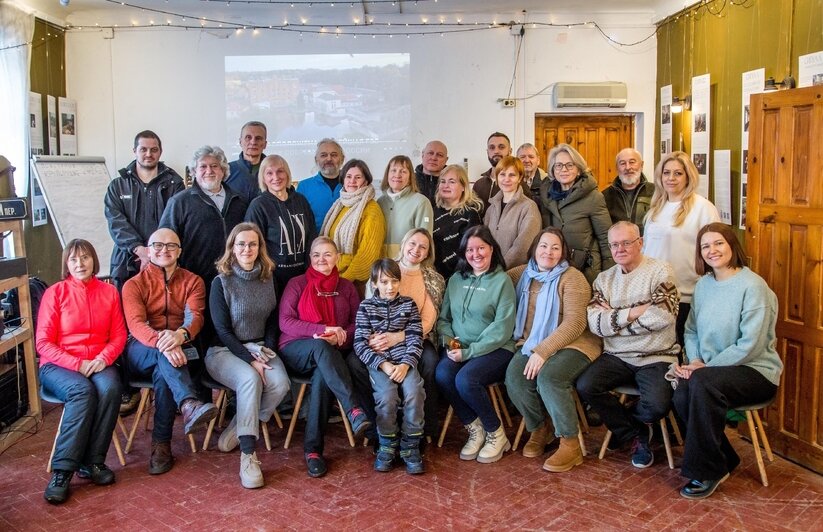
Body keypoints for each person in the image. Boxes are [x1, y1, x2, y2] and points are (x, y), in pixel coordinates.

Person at [672, 223, 782, 499]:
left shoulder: (753, 286)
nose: (712, 250)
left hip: (755, 371)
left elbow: (750, 344)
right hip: (710, 373)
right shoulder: (703, 285)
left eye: (718, 243)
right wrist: (695, 360)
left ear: (732, 245)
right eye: (705, 246)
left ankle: (707, 471)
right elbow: (691, 330)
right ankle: (724, 458)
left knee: (700, 384)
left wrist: (705, 369)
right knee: (681, 391)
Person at [576, 221, 680, 469]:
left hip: (657, 354)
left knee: (657, 405)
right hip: (617, 355)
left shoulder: (661, 271)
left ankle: (630, 425)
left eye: (626, 243)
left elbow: (663, 316)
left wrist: (615, 317)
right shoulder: (603, 280)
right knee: (586, 386)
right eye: (614, 244)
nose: (619, 249)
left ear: (640, 243)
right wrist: (635, 311)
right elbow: (597, 325)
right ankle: (636, 434)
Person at [36, 240, 127, 504]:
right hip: (58, 365)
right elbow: (43, 343)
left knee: (111, 388)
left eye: (85, 258)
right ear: (66, 264)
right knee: (82, 392)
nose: (80, 264)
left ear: (93, 261)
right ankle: (62, 471)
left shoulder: (109, 293)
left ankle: (93, 462)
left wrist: (103, 358)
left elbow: (119, 335)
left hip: (98, 361)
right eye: (74, 259)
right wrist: (77, 364)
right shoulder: (55, 293)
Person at [122, 228, 218, 475]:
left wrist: (180, 335)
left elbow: (195, 317)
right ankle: (187, 403)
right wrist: (162, 343)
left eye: (171, 246)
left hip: (182, 347)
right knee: (163, 358)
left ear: (180, 251)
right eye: (158, 245)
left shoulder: (193, 281)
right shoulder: (133, 285)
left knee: (164, 374)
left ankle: (162, 443)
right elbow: (136, 324)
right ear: (149, 249)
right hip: (141, 349)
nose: (164, 250)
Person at [504, 228, 601, 473]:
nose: (548, 252)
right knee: (514, 377)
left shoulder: (573, 278)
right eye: (544, 246)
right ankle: (540, 428)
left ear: (563, 252)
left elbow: (575, 323)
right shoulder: (522, 274)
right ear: (534, 249)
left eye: (555, 247)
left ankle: (570, 443)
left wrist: (543, 351)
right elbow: (494, 281)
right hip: (533, 343)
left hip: (575, 343)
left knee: (550, 378)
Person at [206, 223, 290, 489]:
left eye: (252, 244)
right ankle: (248, 456)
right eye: (241, 244)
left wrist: (266, 351)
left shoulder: (269, 278)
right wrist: (251, 360)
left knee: (281, 383)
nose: (246, 249)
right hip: (224, 350)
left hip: (259, 347)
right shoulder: (221, 281)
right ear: (232, 248)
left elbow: (273, 320)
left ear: (260, 247)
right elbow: (222, 330)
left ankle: (240, 425)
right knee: (250, 379)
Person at [278, 236, 371, 478]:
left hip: (331, 355)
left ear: (337, 258)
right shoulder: (297, 284)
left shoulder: (347, 287)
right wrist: (323, 331)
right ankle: (353, 409)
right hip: (296, 349)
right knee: (320, 347)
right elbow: (285, 322)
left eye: (328, 254)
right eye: (316, 255)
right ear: (310, 258)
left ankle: (313, 452)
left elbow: (358, 324)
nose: (322, 259)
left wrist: (339, 337)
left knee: (322, 375)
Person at [347, 228, 445, 444]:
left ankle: (423, 428)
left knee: (430, 361)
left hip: (417, 336)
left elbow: (427, 320)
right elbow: (371, 308)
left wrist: (399, 337)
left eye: (423, 247)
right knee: (354, 362)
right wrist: (374, 339)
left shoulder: (433, 279)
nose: (416, 249)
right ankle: (375, 427)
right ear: (404, 243)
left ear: (428, 253)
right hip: (380, 340)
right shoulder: (387, 269)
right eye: (412, 243)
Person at [436, 225, 516, 464]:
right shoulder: (455, 280)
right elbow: (444, 319)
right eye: (470, 250)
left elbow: (502, 328)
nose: (475, 254)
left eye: (481, 248)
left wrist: (470, 352)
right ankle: (475, 428)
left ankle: (496, 434)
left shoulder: (502, 281)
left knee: (466, 380)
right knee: (443, 375)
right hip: (460, 348)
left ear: (491, 249)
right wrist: (452, 344)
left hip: (496, 349)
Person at [354, 259, 426, 474]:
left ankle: (410, 446)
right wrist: (383, 365)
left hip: (406, 362)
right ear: (374, 283)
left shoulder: (408, 304)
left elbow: (416, 338)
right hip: (380, 365)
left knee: (415, 392)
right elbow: (359, 344)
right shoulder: (365, 307)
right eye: (384, 282)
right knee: (386, 396)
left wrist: (405, 364)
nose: (390, 287)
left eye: (394, 281)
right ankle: (387, 444)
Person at [643, 151, 721, 346]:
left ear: (688, 176)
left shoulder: (703, 208)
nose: (671, 178)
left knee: (683, 350)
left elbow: (715, 252)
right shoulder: (656, 208)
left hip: (686, 296)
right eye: (666, 173)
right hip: (655, 295)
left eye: (678, 173)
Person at [160, 145, 248, 294]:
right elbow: (165, 241)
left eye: (214, 166)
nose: (209, 171)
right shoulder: (179, 202)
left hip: (234, 281)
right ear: (194, 171)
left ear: (223, 170)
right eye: (203, 166)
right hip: (194, 283)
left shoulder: (239, 201)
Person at [105, 130, 184, 290]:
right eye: (143, 149)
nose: (149, 154)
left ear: (160, 152)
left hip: (165, 261)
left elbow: (177, 222)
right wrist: (139, 249)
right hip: (126, 262)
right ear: (135, 151)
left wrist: (156, 252)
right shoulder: (117, 186)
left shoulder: (175, 185)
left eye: (154, 150)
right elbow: (116, 222)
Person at [540, 143, 614, 284]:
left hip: (585, 270)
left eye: (570, 165)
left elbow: (606, 238)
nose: (564, 169)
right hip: (553, 268)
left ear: (579, 169)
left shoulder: (593, 197)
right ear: (553, 170)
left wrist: (609, 277)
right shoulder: (546, 196)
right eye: (558, 165)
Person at [245, 154, 317, 294]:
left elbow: (312, 236)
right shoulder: (258, 206)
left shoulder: (301, 200)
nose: (276, 177)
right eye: (269, 173)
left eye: (280, 171)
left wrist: (311, 268)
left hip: (304, 277)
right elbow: (254, 244)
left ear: (287, 174)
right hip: (272, 280)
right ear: (263, 178)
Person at [320, 159, 385, 286]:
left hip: (354, 284)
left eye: (358, 177)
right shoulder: (340, 205)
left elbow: (367, 257)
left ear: (366, 181)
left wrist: (343, 281)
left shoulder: (371, 210)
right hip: (332, 277)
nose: (352, 181)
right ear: (343, 179)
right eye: (348, 176)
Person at [483, 156, 541, 269]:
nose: (506, 179)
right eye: (502, 174)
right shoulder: (491, 208)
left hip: (514, 273)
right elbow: (484, 240)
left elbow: (523, 247)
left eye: (512, 175)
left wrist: (501, 268)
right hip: (490, 271)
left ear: (520, 178)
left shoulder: (529, 207)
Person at [432, 164, 483, 279]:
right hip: (434, 277)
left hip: (460, 277)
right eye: (443, 181)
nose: (446, 185)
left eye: (452, 182)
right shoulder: (432, 211)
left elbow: (472, 251)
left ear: (463, 187)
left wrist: (456, 279)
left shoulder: (470, 214)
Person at [377, 155, 433, 258]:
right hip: (383, 263)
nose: (397, 175)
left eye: (403, 171)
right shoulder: (380, 202)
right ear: (387, 174)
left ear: (410, 177)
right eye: (393, 170)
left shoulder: (421, 202)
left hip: (408, 263)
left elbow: (424, 241)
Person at [297, 138, 344, 233]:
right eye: (323, 155)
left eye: (334, 155)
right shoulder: (303, 187)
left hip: (348, 241)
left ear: (342, 159)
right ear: (316, 160)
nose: (329, 159)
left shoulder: (352, 185)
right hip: (315, 241)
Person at [602, 148, 654, 232]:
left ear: (641, 165)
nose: (628, 167)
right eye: (622, 163)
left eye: (632, 162)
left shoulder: (655, 192)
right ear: (617, 168)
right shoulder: (605, 196)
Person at [226, 121, 267, 205]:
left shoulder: (274, 172)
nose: (253, 142)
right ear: (240, 142)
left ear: (265, 144)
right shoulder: (226, 171)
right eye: (248, 137)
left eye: (258, 138)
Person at [473, 132, 514, 213]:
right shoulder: (478, 185)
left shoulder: (517, 184)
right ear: (487, 152)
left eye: (501, 147)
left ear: (510, 151)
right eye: (492, 147)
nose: (496, 151)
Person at [415, 140, 449, 207]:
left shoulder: (453, 184)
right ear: (422, 155)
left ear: (446, 160)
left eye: (439, 155)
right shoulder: (409, 180)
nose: (433, 158)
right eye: (430, 153)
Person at [516, 143, 549, 211]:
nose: (527, 160)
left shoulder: (548, 181)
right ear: (516, 161)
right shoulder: (510, 182)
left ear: (538, 160)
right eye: (522, 157)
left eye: (531, 157)